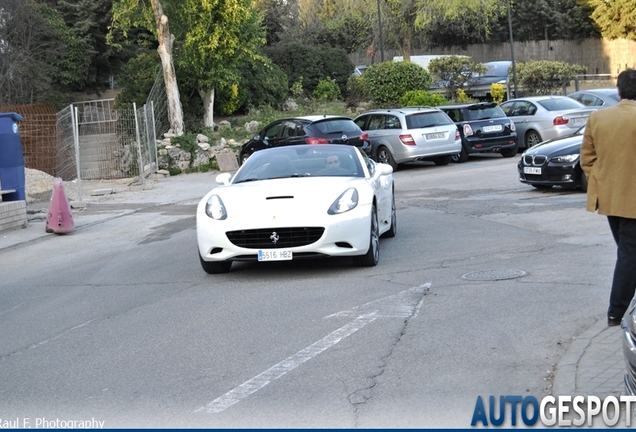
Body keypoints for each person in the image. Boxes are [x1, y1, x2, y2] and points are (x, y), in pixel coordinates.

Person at [580, 68, 636, 326]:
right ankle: (616, 311)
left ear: (618, 91)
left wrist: (603, 183)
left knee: (627, 252)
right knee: (629, 254)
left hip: (611, 200)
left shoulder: (598, 118)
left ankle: (622, 308)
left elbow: (587, 160)